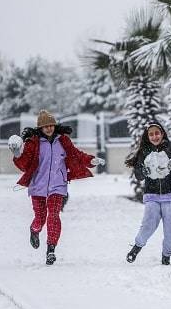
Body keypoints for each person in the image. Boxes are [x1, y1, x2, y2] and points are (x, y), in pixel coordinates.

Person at [10, 110, 102, 265]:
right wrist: (17, 154)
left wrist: (91, 161)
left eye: (51, 125)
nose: (49, 128)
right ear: (40, 128)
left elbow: (76, 155)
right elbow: (24, 164)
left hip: (58, 185)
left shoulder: (63, 141)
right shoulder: (34, 142)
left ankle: (51, 249)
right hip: (38, 185)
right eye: (45, 126)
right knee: (40, 218)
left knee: (53, 215)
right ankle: (34, 230)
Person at [124, 122, 171, 265]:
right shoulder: (144, 151)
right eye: (151, 134)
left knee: (169, 229)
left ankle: (166, 256)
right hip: (152, 195)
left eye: (157, 133)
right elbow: (138, 175)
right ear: (147, 136)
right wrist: (143, 172)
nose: (154, 136)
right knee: (148, 224)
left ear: (162, 133)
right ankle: (137, 247)